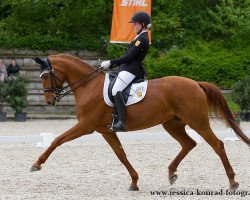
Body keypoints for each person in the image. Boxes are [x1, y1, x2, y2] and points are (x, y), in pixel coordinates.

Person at [100, 11, 151, 132]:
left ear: (143, 24)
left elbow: (129, 58)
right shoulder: (138, 37)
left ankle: (121, 122)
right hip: (125, 69)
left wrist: (111, 62)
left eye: (136, 24)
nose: (133, 26)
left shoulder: (142, 39)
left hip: (131, 70)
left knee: (116, 89)